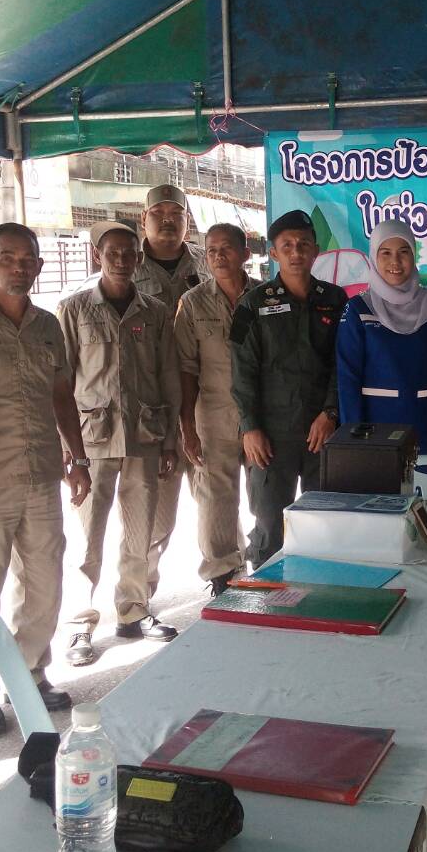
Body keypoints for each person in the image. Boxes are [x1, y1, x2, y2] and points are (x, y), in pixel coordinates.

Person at [0, 223, 92, 735]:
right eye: (8, 258)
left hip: (42, 475)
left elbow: (61, 396)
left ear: (40, 266)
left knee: (44, 581)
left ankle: (28, 673)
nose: (19, 267)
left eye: (28, 259)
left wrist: (78, 458)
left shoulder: (48, 326)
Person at [57, 221, 181, 663]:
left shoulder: (155, 312)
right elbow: (61, 381)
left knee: (140, 531)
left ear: (139, 259)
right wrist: (68, 450)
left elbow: (168, 375)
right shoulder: (73, 309)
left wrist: (170, 440)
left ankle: (133, 609)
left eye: (130, 253)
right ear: (97, 256)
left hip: (145, 436)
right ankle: (80, 625)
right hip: (93, 440)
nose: (122, 260)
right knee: (87, 536)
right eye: (113, 253)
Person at [229, 210, 346, 567]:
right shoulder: (251, 304)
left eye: (304, 245)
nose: (297, 253)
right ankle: (268, 594)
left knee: (322, 525)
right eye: (287, 246)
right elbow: (241, 370)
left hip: (321, 432)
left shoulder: (336, 300)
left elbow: (343, 364)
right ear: (273, 253)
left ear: (316, 251)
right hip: (270, 436)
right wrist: (250, 427)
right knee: (269, 527)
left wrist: (330, 413)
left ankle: (318, 594)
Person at [132, 185, 209, 623]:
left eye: (175, 213)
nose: (166, 220)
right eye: (157, 213)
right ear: (142, 220)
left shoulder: (207, 263)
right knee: (155, 513)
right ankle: (137, 596)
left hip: (204, 404)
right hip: (154, 410)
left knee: (216, 498)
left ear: (187, 220)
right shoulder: (126, 265)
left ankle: (227, 577)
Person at [175, 224, 260, 595]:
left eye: (227, 248)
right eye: (211, 250)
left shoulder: (266, 296)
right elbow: (185, 369)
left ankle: (266, 560)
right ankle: (222, 575)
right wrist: (187, 428)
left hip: (260, 415)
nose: (218, 256)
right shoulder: (193, 302)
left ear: (245, 254)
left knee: (265, 495)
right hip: (212, 415)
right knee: (215, 499)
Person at [335, 219, 427, 456]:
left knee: (424, 482)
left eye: (404, 252)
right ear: (374, 257)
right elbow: (347, 380)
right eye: (386, 253)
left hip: (426, 432)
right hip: (373, 435)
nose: (395, 261)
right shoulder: (358, 309)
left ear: (413, 255)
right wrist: (354, 439)